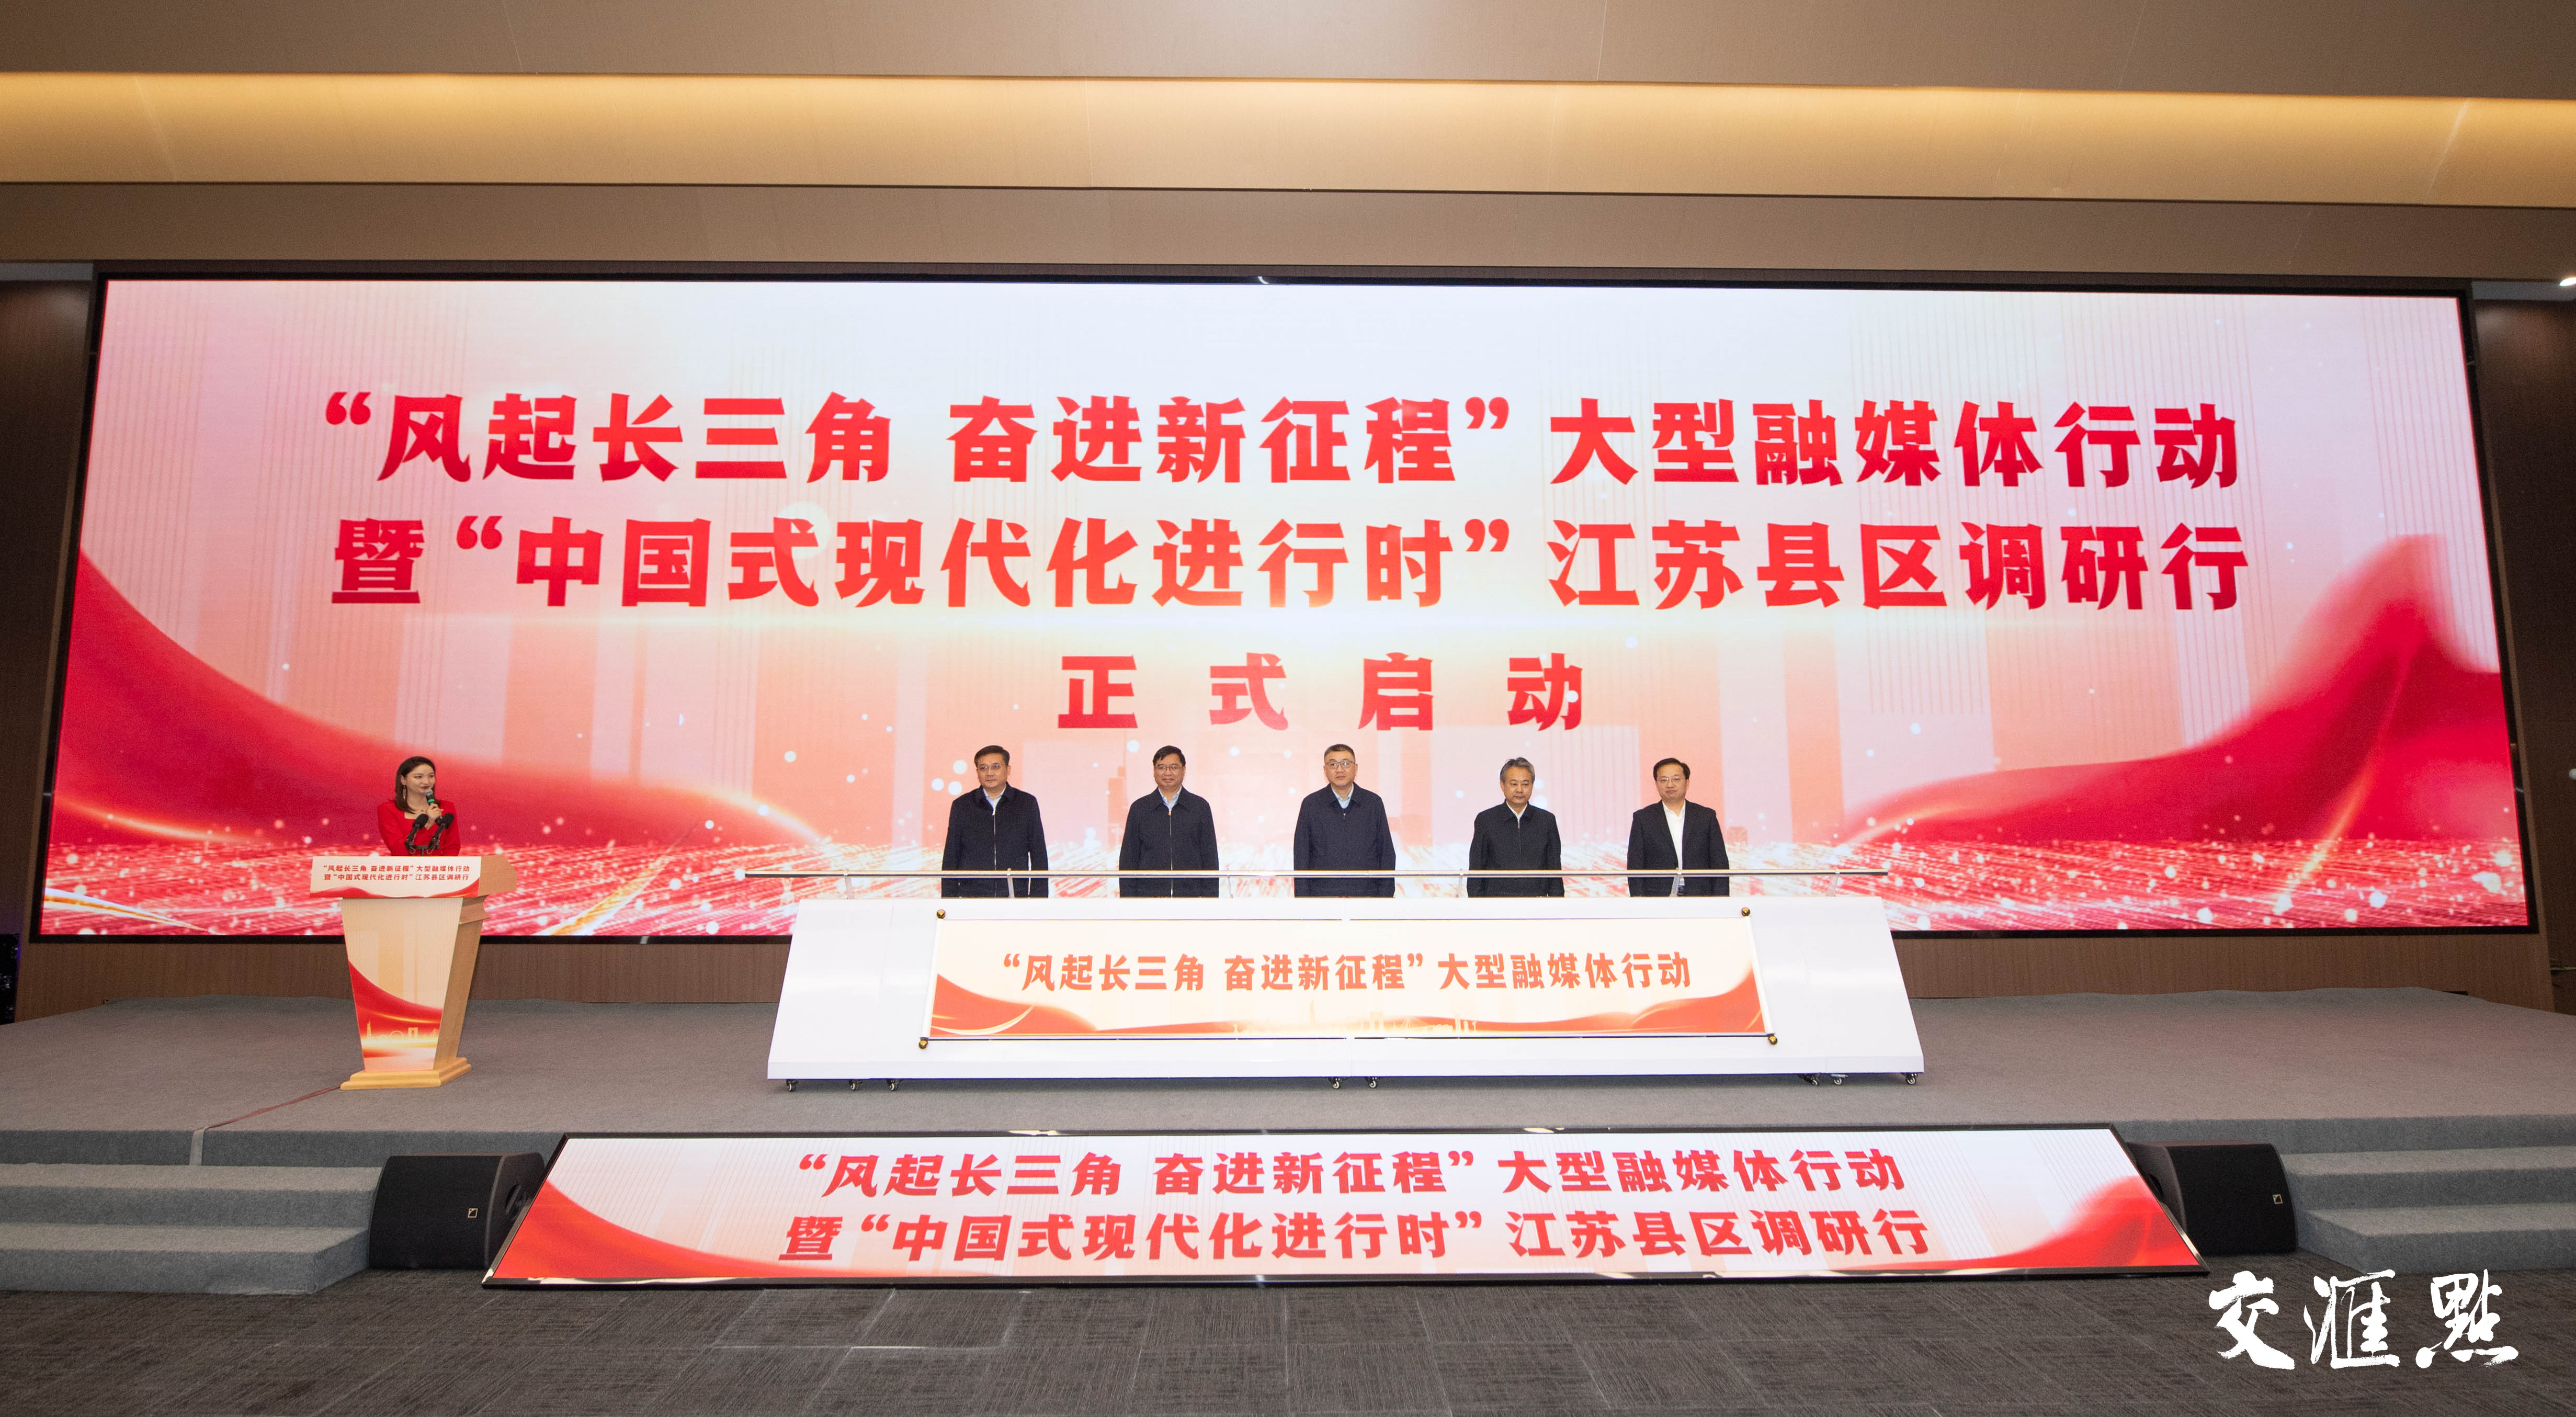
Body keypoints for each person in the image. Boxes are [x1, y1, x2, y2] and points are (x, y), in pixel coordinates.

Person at [941, 745, 1049, 898]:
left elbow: (1039, 855)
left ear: (1008, 770)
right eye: (983, 768)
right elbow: (951, 857)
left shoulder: (1026, 803)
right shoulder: (962, 806)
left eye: (996, 767)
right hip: (971, 897)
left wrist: (1039, 900)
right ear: (977, 773)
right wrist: (948, 901)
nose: (990, 773)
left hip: (1015, 896)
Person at [1292, 742, 1394, 897]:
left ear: (1356, 768)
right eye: (1333, 764)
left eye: (1346, 763)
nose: (1340, 769)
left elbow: (1386, 853)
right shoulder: (1312, 804)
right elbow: (1302, 855)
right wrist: (1304, 899)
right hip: (1322, 897)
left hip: (1367, 896)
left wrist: (1385, 897)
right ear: (1325, 770)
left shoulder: (1373, 803)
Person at [1118, 745, 1220, 897]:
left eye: (1174, 767)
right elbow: (1129, 859)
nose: (1167, 773)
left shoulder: (1199, 807)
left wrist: (1209, 900)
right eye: (1161, 767)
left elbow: (1210, 857)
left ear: (1184, 770)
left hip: (1191, 899)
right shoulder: (1140, 808)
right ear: (1154, 771)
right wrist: (1129, 900)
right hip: (1148, 899)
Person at [1626, 756, 1729, 897]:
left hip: (1701, 896)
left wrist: (1722, 900)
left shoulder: (1706, 817)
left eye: (1676, 779)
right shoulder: (1643, 819)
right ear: (1656, 784)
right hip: (1658, 898)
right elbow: (1635, 865)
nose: (1670, 785)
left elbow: (1720, 863)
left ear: (1687, 782)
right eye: (1664, 780)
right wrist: (1639, 902)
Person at [1467, 757, 1563, 897]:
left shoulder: (1546, 821)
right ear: (1502, 785)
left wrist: (1557, 903)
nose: (1520, 790)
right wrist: (1477, 905)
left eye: (1525, 784)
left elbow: (1555, 870)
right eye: (1514, 784)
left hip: (1538, 902)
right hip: (1497, 903)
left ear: (1532, 785)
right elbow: (1476, 869)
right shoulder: (1486, 820)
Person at [378, 755, 459, 855]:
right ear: (403, 780)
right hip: (404, 865)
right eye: (419, 777)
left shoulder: (447, 807)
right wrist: (428, 824)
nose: (427, 782)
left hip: (439, 865)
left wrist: (441, 865)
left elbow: (452, 847)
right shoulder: (388, 809)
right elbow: (398, 850)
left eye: (431, 776)